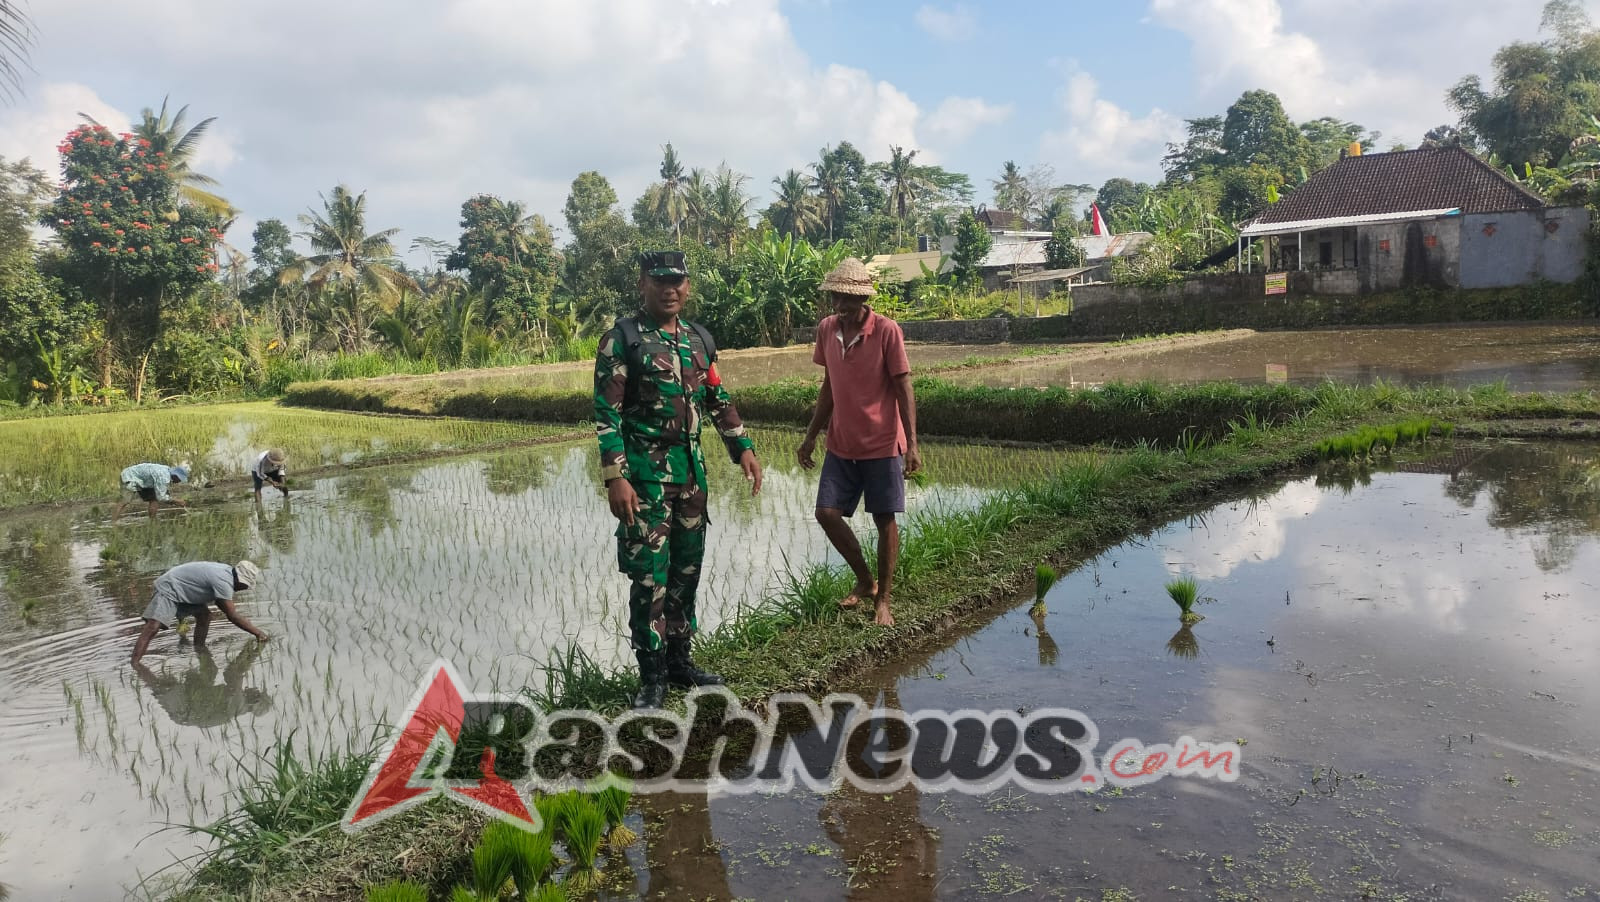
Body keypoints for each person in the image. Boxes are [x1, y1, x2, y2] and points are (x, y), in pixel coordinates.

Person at [595, 250, 763, 709]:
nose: (670, 289)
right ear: (642, 283)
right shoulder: (622, 340)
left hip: (692, 478)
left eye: (678, 281)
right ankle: (651, 677)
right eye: (660, 280)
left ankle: (679, 662)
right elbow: (606, 414)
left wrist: (742, 446)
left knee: (686, 572)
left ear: (688, 285)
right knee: (650, 578)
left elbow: (716, 396)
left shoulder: (698, 340)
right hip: (644, 482)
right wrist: (616, 477)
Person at [797, 258, 921, 627]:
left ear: (864, 297)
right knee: (826, 513)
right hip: (841, 442)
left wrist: (912, 443)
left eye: (848, 299)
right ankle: (866, 580)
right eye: (836, 298)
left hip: (882, 442)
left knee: (884, 519)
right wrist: (809, 436)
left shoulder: (886, 331)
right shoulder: (826, 330)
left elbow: (903, 386)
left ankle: (883, 599)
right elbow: (829, 386)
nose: (840, 307)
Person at [130, 560, 270, 663]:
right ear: (239, 579)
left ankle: (199, 649)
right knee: (153, 627)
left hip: (185, 590)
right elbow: (232, 615)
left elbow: (224, 607)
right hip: (170, 587)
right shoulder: (224, 582)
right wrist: (259, 633)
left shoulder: (226, 572)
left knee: (204, 616)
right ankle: (135, 664)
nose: (244, 588)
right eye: (245, 585)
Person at [114, 462, 189, 519]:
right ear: (175, 475)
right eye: (180, 479)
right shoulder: (163, 476)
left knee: (154, 500)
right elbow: (161, 497)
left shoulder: (167, 471)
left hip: (144, 480)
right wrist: (176, 501)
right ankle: (113, 523)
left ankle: (152, 521)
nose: (179, 482)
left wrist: (172, 500)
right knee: (125, 501)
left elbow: (161, 491)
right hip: (129, 476)